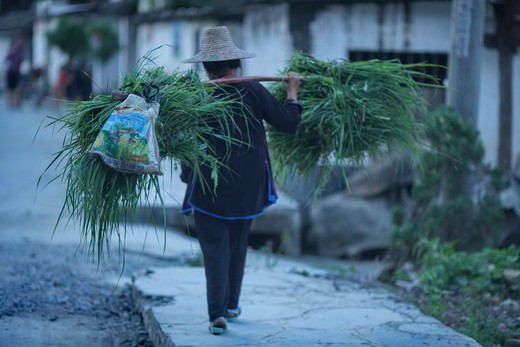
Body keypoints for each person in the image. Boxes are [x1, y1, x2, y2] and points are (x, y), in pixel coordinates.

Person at [180, 26, 302, 335]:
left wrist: (186, 175)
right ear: (236, 63)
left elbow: (183, 144)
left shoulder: (197, 97)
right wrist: (292, 93)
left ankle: (217, 314)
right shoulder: (253, 90)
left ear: (206, 68)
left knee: (214, 251)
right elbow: (288, 123)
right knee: (237, 246)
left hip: (209, 189)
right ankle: (231, 305)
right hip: (247, 188)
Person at [4, 36, 25, 108]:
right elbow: (6, 58)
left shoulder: (20, 51)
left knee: (16, 87)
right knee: (10, 88)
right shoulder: (13, 50)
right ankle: (10, 103)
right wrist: (8, 67)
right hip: (11, 71)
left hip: (16, 71)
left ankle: (15, 102)